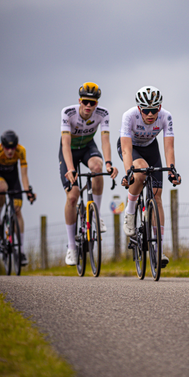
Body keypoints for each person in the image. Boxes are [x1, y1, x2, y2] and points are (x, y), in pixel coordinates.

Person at [118, 85, 181, 268]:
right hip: (131, 148)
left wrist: (172, 171)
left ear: (159, 108)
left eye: (154, 110)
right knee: (142, 171)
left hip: (151, 148)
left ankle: (158, 249)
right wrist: (129, 171)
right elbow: (126, 149)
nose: (151, 114)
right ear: (140, 108)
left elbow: (169, 148)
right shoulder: (129, 116)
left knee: (157, 195)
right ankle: (130, 212)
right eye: (146, 110)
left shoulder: (166, 117)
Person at [59, 82, 118, 266]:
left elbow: (105, 141)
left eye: (92, 103)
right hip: (69, 152)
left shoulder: (103, 114)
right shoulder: (68, 113)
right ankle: (71, 247)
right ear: (80, 101)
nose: (88, 106)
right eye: (85, 102)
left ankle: (96, 215)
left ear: (96, 104)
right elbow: (66, 145)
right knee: (73, 196)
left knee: (97, 167)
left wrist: (109, 163)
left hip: (87, 148)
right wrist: (70, 168)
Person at [0, 130, 36, 266]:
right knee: (2, 189)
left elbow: (24, 175)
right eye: (7, 148)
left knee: (17, 210)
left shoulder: (21, 151)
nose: (10, 151)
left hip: (14, 178)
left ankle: (20, 251)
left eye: (13, 147)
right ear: (2, 146)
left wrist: (28, 192)